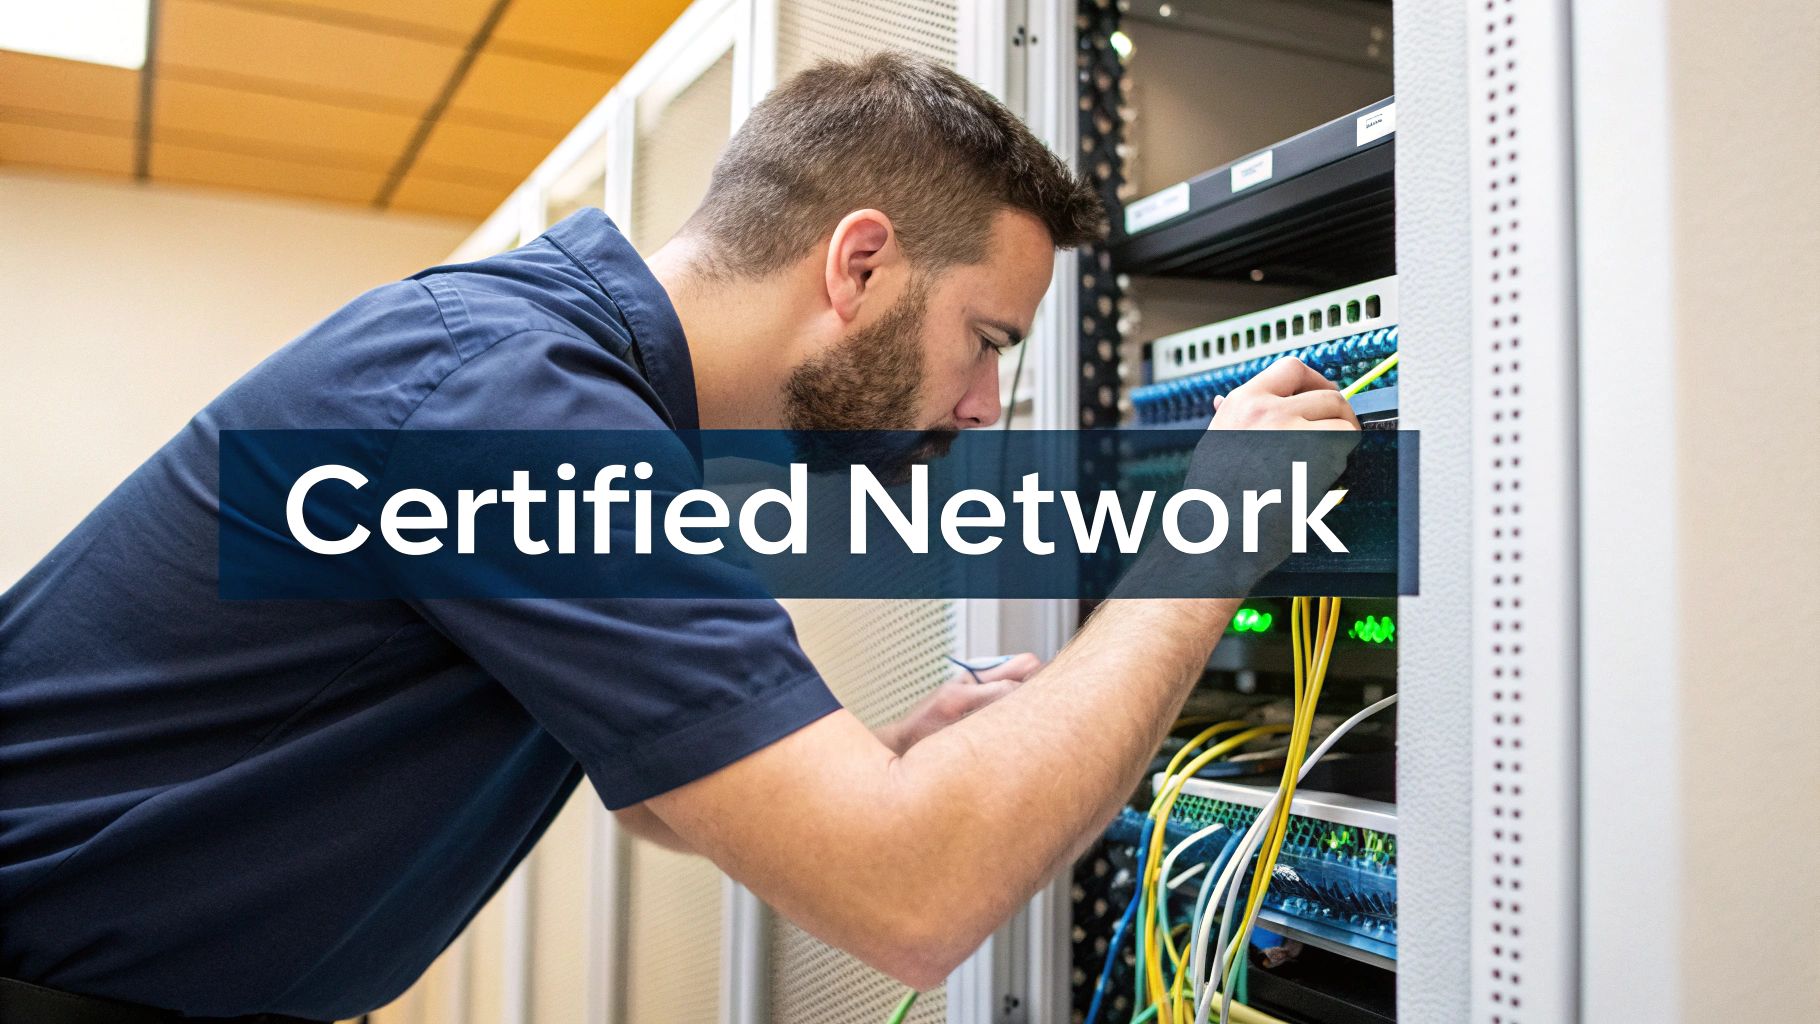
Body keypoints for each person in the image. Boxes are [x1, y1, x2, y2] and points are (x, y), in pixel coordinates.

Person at [0, 54, 1358, 1022]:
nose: (984, 407)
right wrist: (1214, 531)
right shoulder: (517, 407)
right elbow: (913, 901)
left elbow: (657, 792)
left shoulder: (585, 397)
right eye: (987, 339)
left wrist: (877, 766)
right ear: (860, 264)